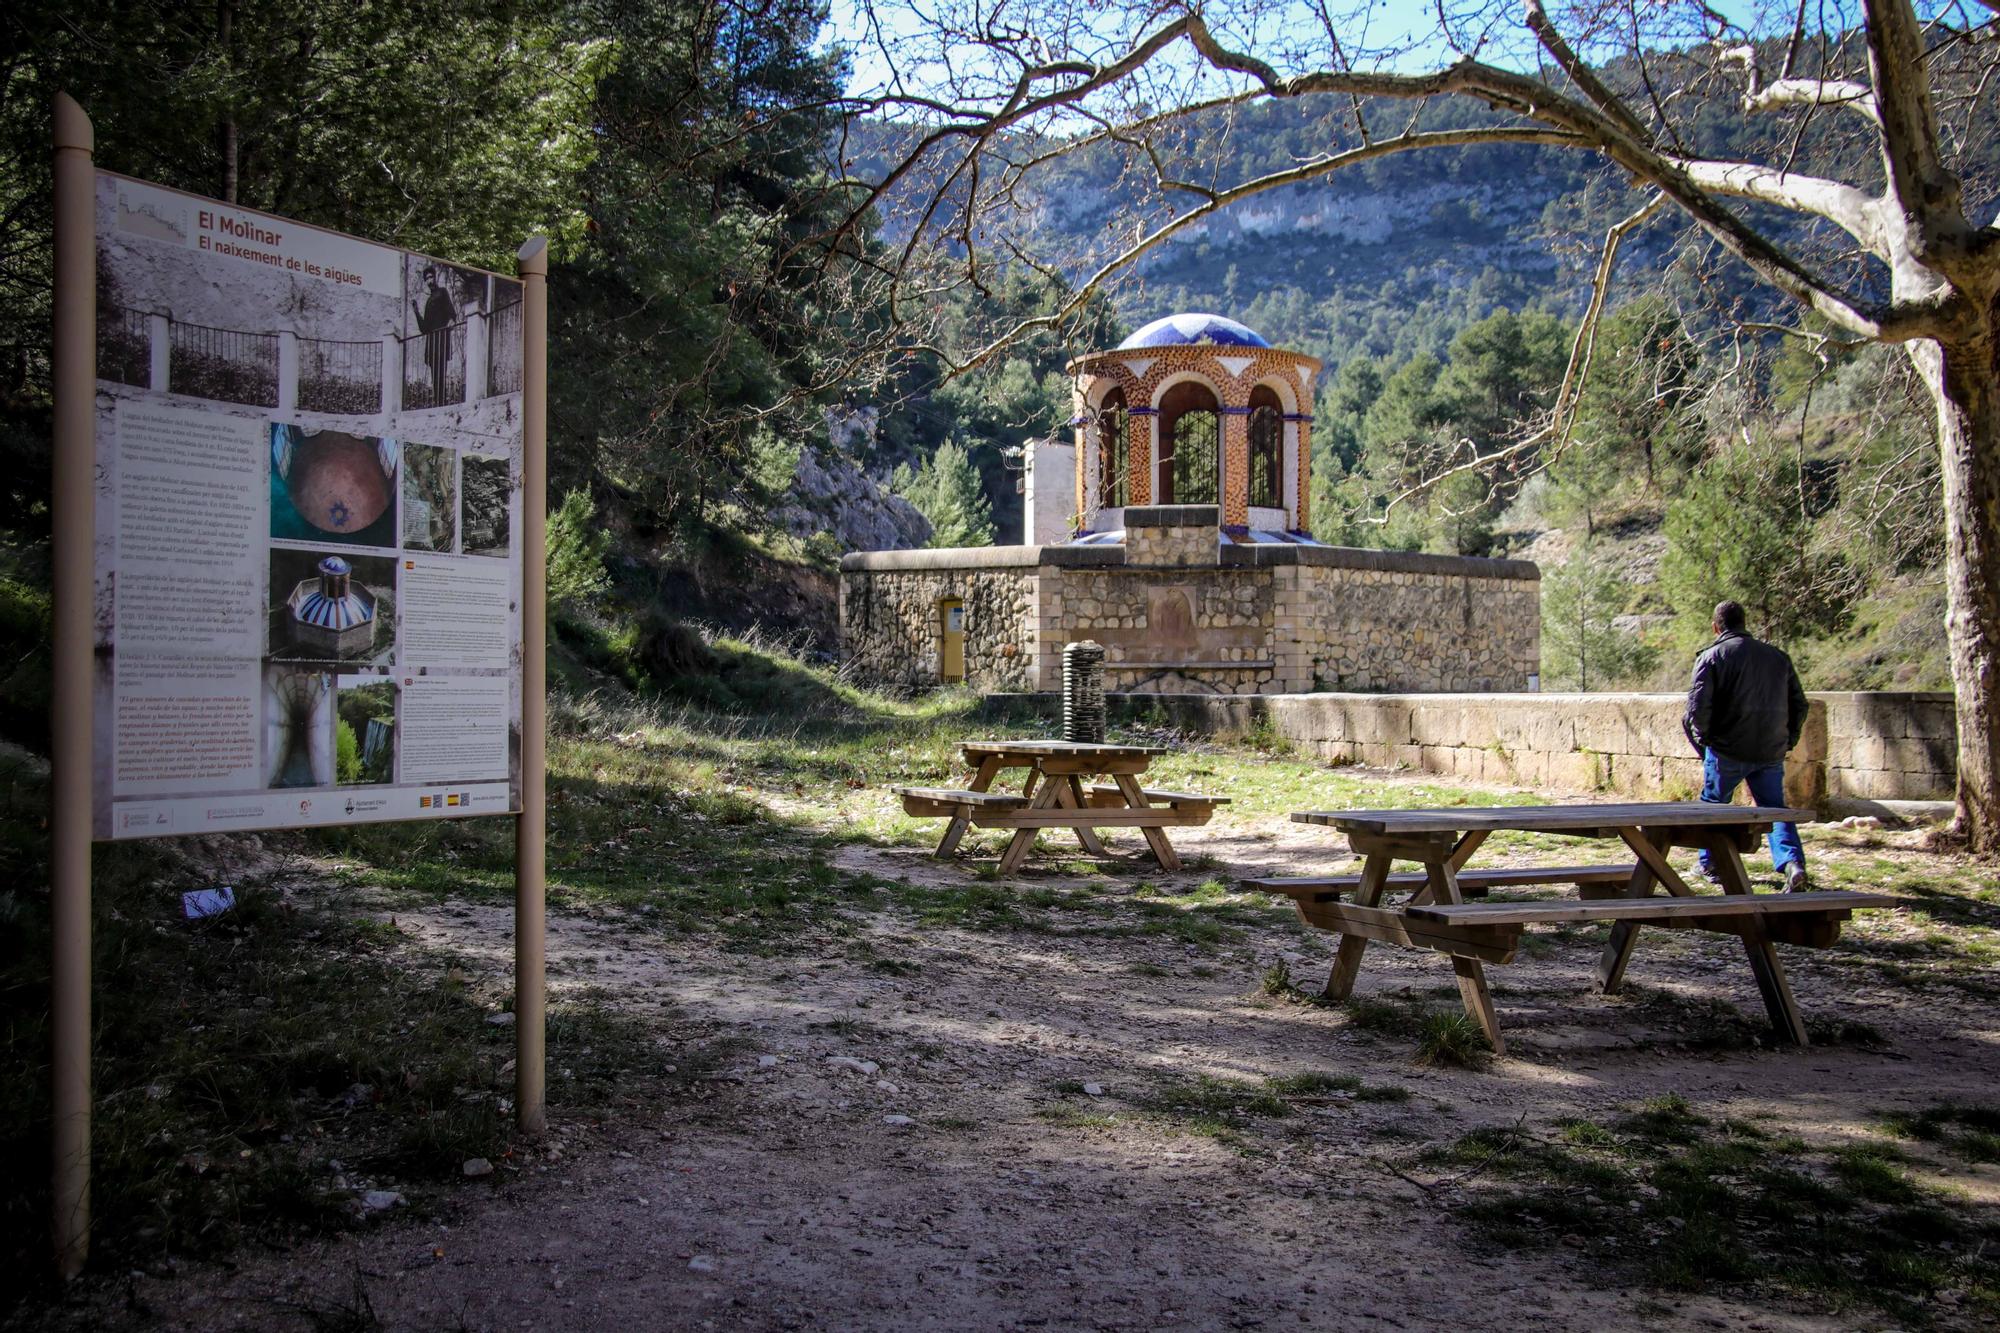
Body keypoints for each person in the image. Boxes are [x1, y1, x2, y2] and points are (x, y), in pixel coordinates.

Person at [1683, 600, 1812, 890]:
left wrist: (1706, 743)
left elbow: (1697, 709)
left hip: (1727, 749)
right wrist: (1787, 739)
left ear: (1716, 627)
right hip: (1769, 749)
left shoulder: (1712, 657)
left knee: (1713, 808)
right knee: (1775, 809)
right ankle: (1792, 864)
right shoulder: (1778, 657)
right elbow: (1799, 704)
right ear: (1744, 622)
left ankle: (1709, 863)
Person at [410, 266, 457, 406]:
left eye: (431, 277)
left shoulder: (443, 292)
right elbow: (424, 329)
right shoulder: (428, 302)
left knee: (441, 374)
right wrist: (416, 311)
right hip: (431, 345)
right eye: (427, 279)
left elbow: (451, 313)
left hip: (441, 340)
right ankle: (438, 404)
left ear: (435, 278)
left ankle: (442, 403)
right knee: (435, 377)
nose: (429, 281)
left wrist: (451, 322)